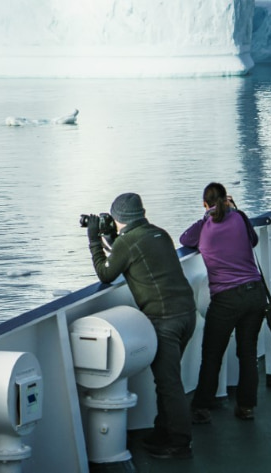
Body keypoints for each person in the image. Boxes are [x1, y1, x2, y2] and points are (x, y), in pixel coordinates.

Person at [86, 192, 197, 460]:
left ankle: (180, 442)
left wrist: (94, 240)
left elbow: (105, 273)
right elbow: (133, 254)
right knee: (167, 381)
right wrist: (113, 239)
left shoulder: (128, 242)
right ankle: (163, 432)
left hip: (165, 320)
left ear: (119, 217)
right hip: (186, 314)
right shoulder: (159, 233)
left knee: (169, 384)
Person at [179, 182, 265, 423]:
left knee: (212, 354)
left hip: (226, 299)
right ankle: (246, 407)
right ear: (227, 200)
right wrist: (233, 209)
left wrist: (207, 216)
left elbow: (184, 239)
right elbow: (253, 241)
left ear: (205, 204)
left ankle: (201, 408)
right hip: (254, 293)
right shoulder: (240, 217)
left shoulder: (202, 227)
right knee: (248, 352)